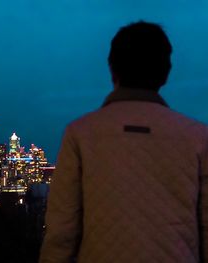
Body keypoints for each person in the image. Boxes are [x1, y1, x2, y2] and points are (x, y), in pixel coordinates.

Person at [39, 21, 208, 263]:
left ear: (112, 68)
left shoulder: (80, 133)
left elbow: (61, 233)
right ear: (166, 72)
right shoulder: (198, 137)